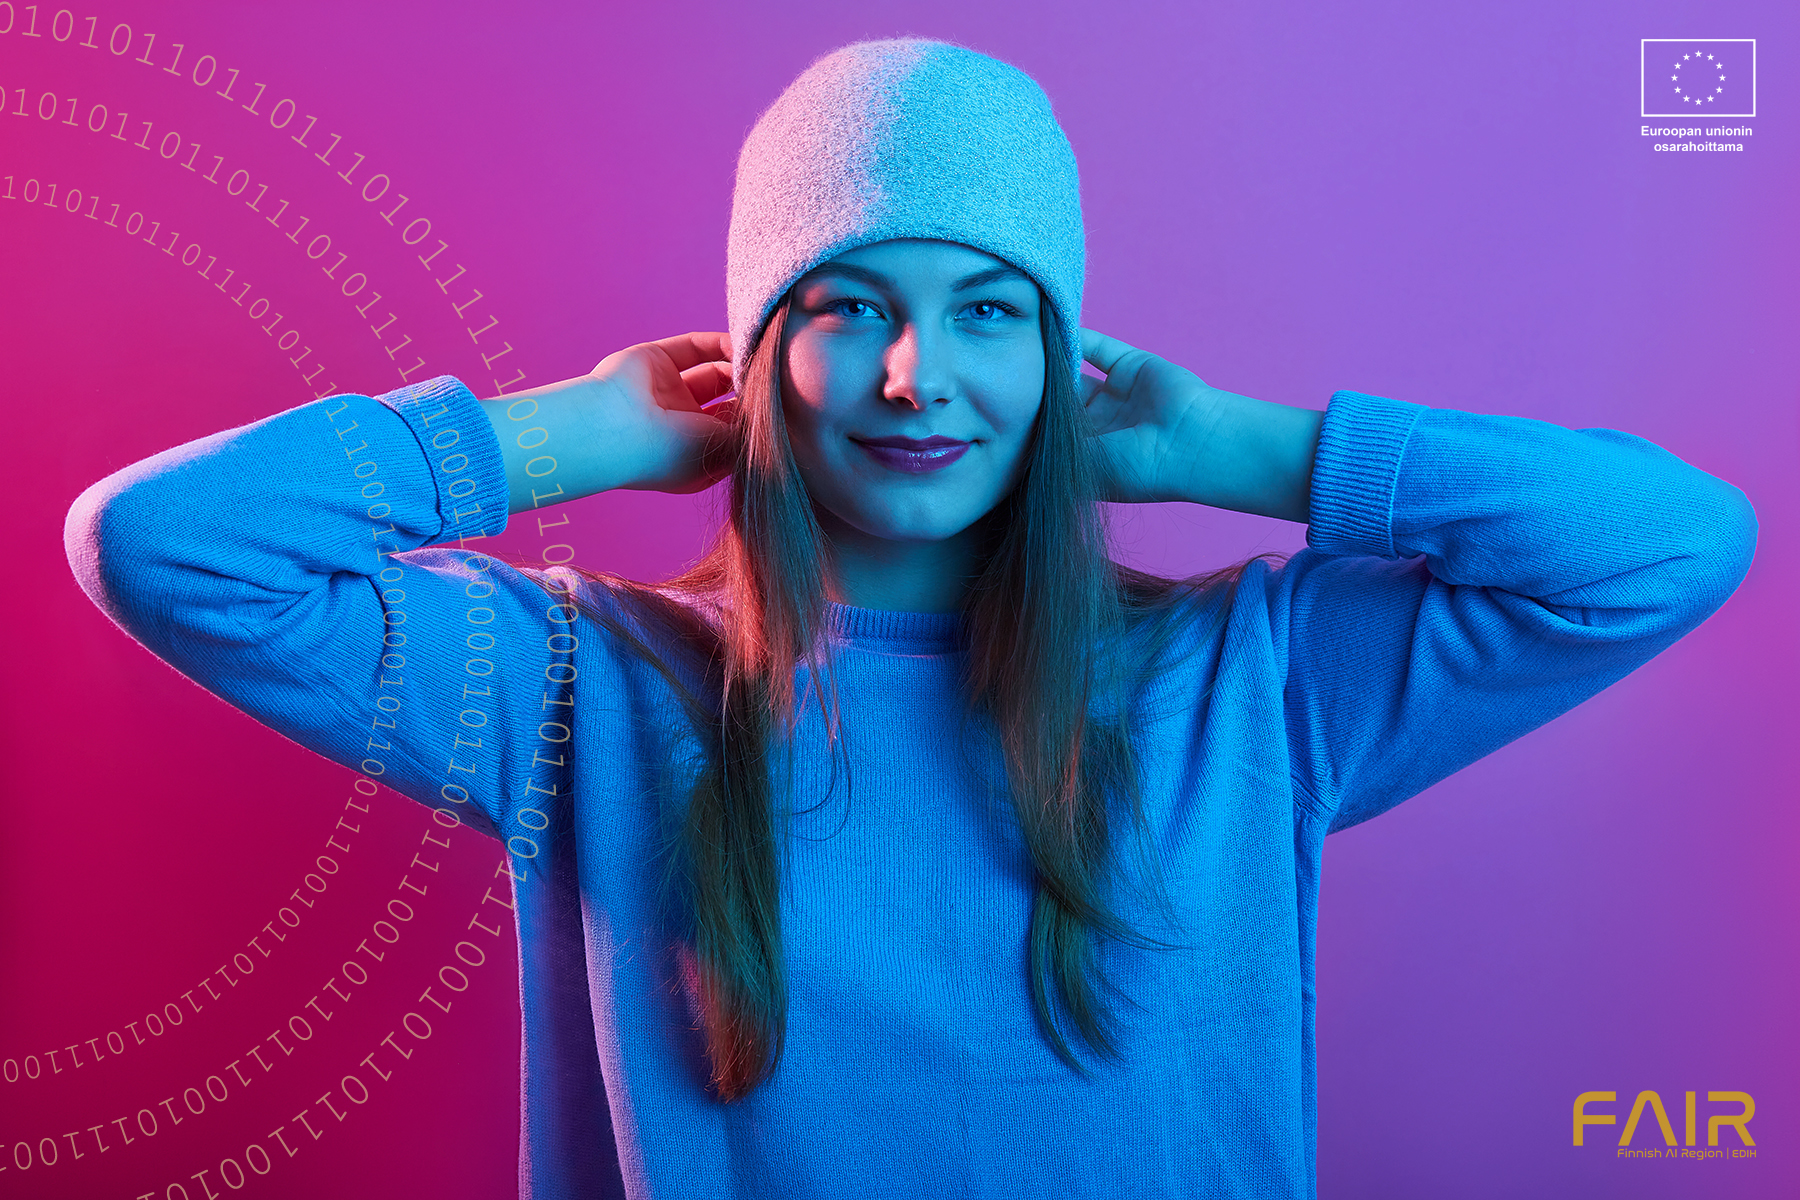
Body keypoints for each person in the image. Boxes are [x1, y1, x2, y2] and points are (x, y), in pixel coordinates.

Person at [64, 36, 1756, 1200]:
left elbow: (1670, 542)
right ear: (756, 354)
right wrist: (560, 436)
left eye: (987, 312)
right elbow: (163, 546)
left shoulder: (1254, 684)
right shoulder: (584, 692)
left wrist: (1247, 447)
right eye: (848, 302)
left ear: (1064, 357)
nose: (910, 373)